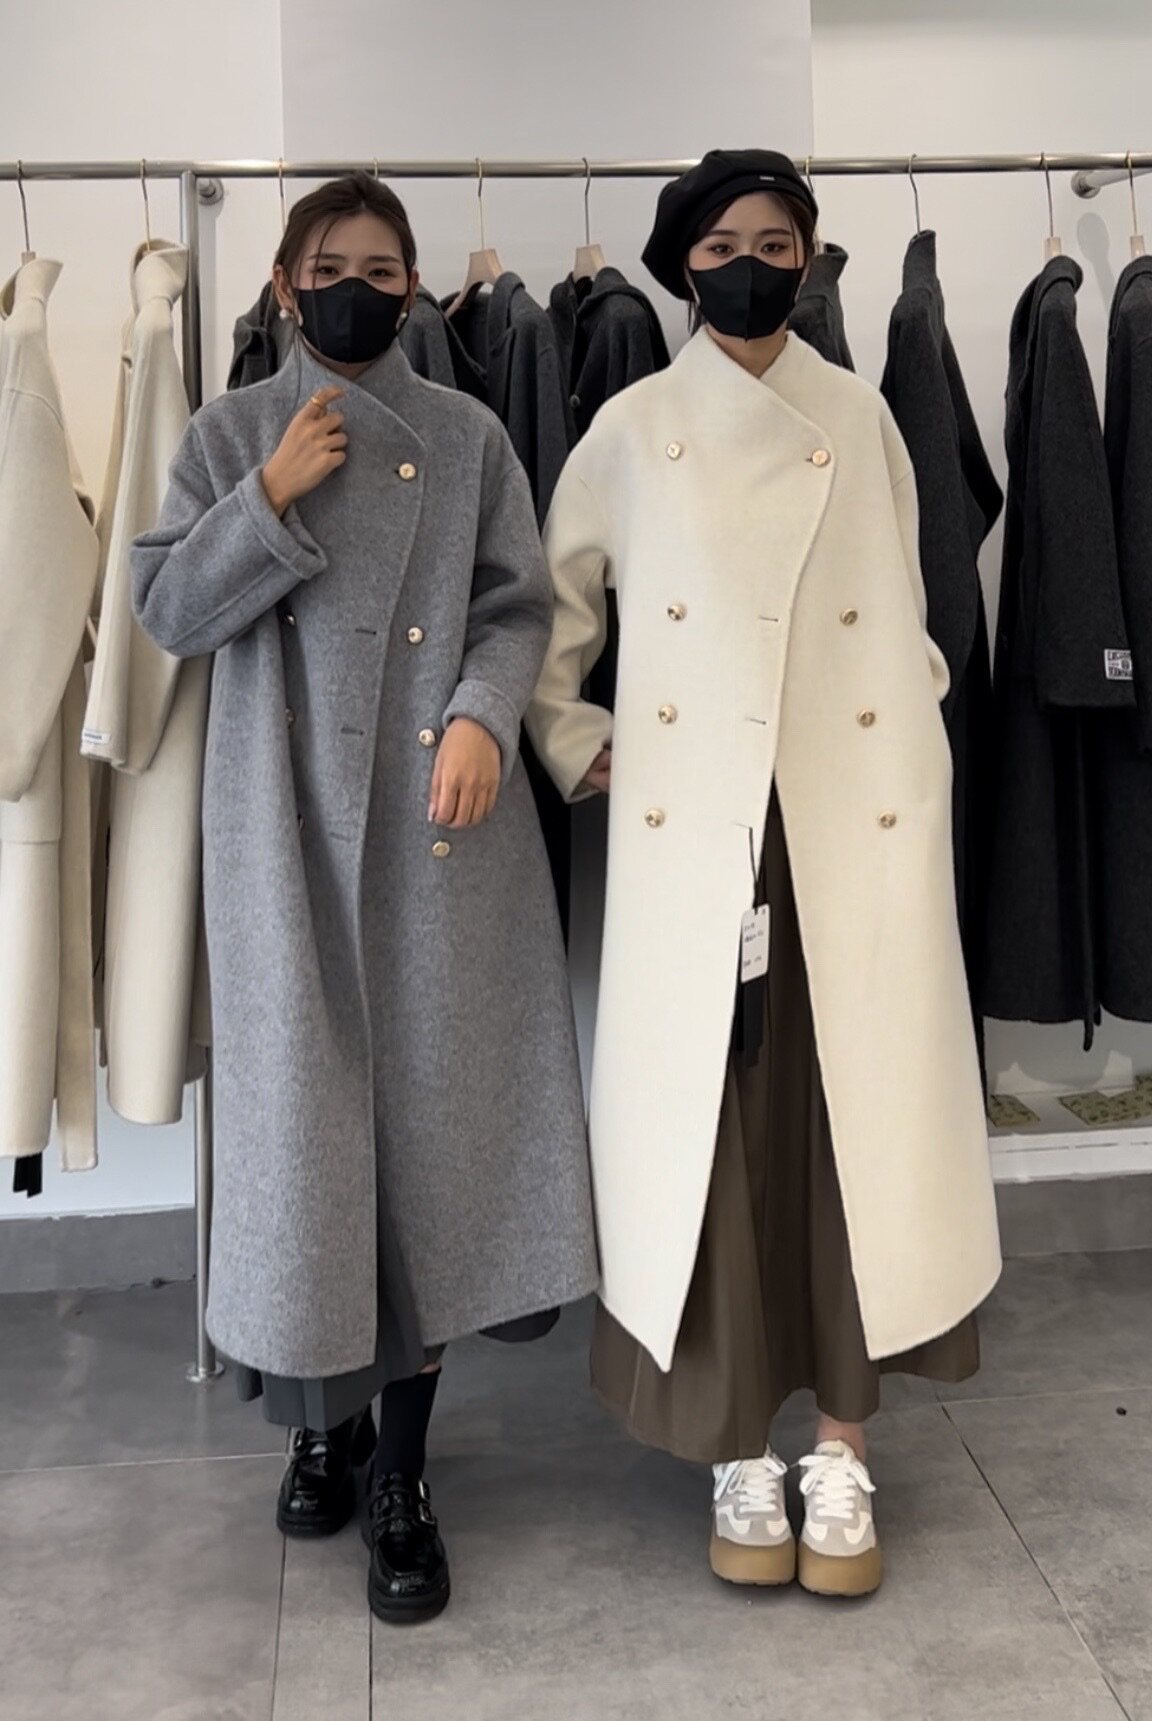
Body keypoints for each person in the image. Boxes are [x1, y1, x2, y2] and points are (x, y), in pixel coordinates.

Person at [527, 149, 1001, 1599]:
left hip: (850, 823)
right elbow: (550, 615)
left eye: (778, 241)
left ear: (808, 259)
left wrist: (912, 724)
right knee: (716, 1129)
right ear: (684, 263)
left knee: (852, 1122)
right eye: (726, 242)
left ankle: (841, 1446)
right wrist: (580, 741)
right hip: (703, 840)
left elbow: (913, 601)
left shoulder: (858, 413)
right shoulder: (631, 427)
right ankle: (737, 1445)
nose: (752, 264)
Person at [131, 173, 597, 1625]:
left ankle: (401, 1467)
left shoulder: (464, 434)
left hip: (439, 837)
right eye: (327, 265)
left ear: (413, 287)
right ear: (282, 285)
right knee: (306, 1154)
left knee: (427, 1154)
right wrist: (268, 498)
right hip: (283, 837)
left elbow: (517, 605)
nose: (354, 287)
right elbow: (164, 614)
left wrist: (481, 715)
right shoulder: (227, 436)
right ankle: (315, 1427)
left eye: (381, 268)